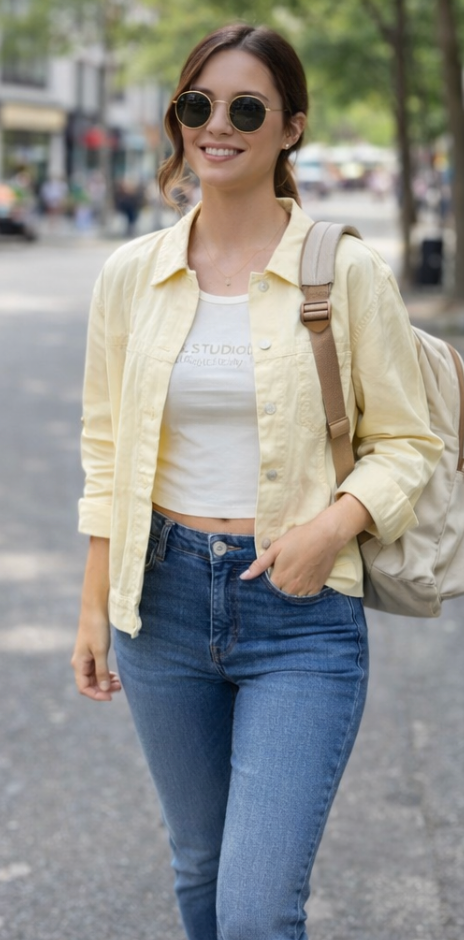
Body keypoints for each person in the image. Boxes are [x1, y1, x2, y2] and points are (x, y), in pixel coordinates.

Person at [71, 23, 443, 940]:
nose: (217, 126)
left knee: (253, 910)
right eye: (198, 106)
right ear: (178, 122)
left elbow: (412, 440)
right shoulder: (132, 275)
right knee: (198, 870)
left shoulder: (345, 271)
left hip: (300, 614)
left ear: (292, 128)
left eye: (246, 108)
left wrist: (331, 528)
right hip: (159, 600)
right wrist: (93, 609)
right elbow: (107, 448)